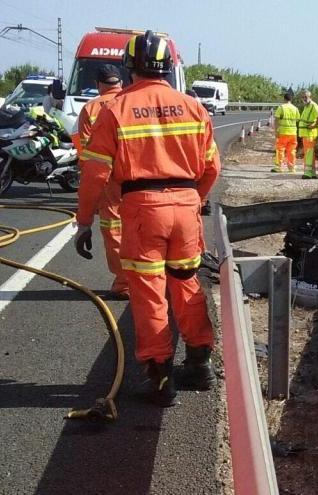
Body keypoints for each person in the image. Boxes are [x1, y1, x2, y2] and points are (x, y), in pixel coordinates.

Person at [75, 30, 220, 407]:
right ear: (169, 68)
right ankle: (200, 362)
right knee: (186, 283)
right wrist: (192, 200)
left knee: (149, 292)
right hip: (186, 208)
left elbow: (95, 174)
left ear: (129, 68)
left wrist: (85, 220)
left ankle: (159, 376)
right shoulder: (194, 107)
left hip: (142, 210)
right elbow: (212, 167)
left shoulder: (114, 110)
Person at [76, 64, 127, 299]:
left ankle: (125, 283)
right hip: (140, 177)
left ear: (98, 84)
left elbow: (86, 153)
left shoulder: (90, 108)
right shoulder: (131, 102)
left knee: (114, 230)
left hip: (109, 180)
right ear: (120, 83)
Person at [297, 90, 318, 179]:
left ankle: (308, 173)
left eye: (306, 97)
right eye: (303, 97)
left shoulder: (313, 105)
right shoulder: (307, 106)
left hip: (310, 134)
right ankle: (312, 173)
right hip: (307, 134)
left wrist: (314, 125)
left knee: (308, 153)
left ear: (310, 97)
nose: (304, 99)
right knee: (310, 154)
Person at [273, 91, 299, 173]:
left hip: (283, 132)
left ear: (284, 99)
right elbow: (297, 119)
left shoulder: (281, 107)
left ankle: (279, 167)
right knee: (292, 151)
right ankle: (292, 168)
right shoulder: (295, 108)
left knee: (280, 149)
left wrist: (276, 130)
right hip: (293, 133)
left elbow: (276, 119)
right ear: (291, 99)